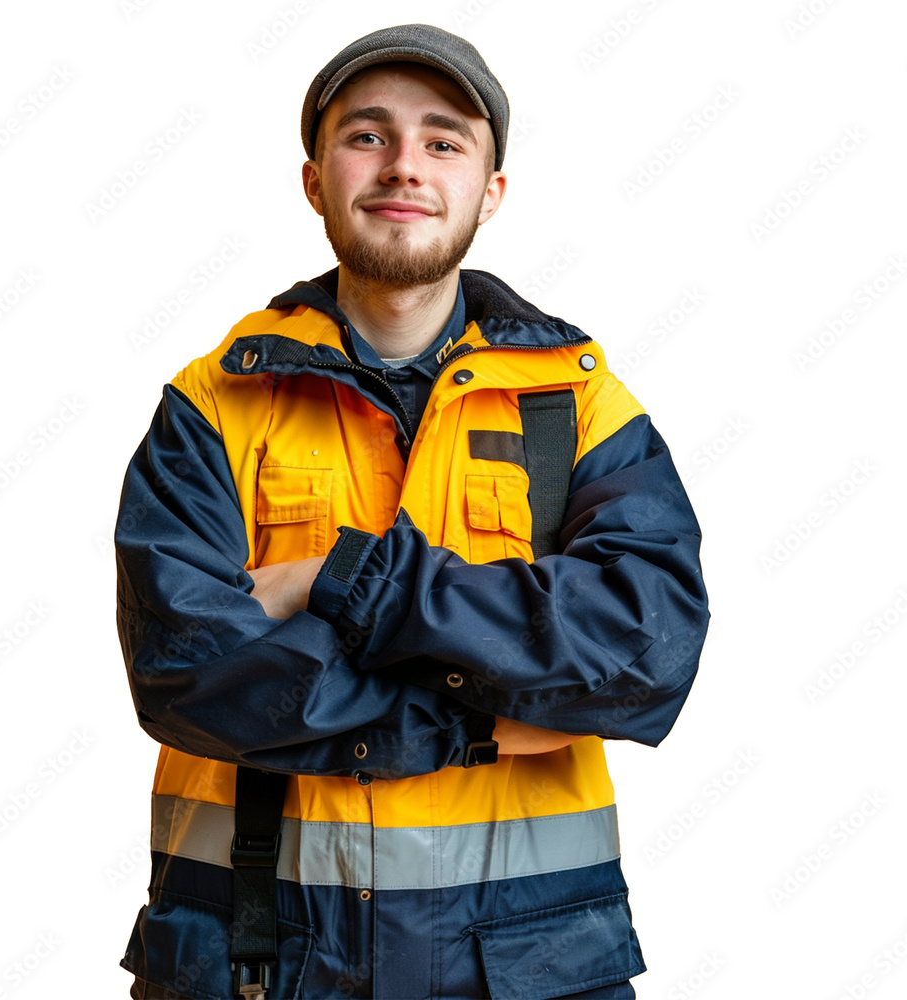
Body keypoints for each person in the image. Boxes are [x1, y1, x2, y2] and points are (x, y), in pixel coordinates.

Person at [114, 23, 710, 1000]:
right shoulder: (213, 404)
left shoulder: (581, 406)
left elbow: (644, 659)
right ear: (314, 180)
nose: (403, 166)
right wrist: (474, 723)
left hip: (523, 967)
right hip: (259, 961)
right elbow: (186, 671)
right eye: (367, 135)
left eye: (443, 141)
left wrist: (336, 579)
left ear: (490, 190)